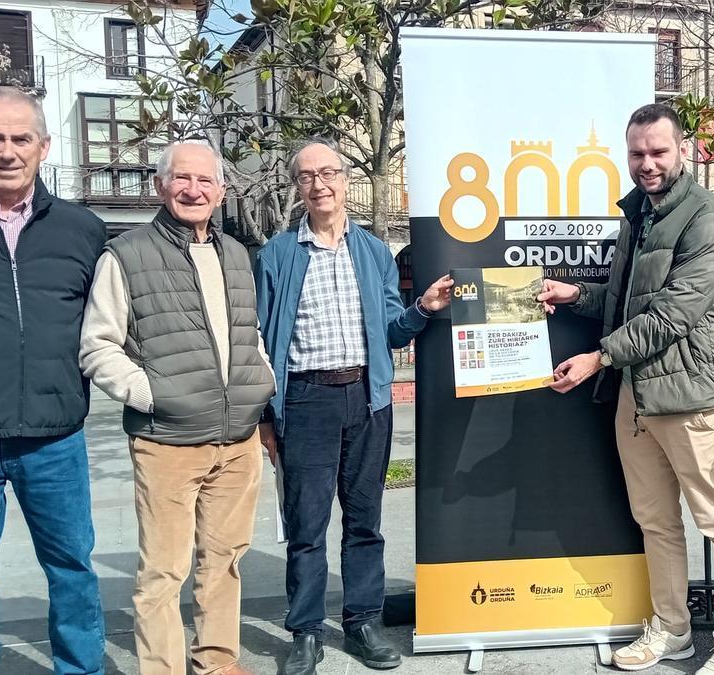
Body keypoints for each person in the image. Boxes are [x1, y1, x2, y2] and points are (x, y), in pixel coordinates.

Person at [537, 103, 714, 675]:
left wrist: (598, 358)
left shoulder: (711, 220)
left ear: (682, 150)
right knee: (656, 522)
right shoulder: (637, 215)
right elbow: (625, 303)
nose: (647, 163)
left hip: (693, 399)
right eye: (637, 152)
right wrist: (576, 296)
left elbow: (671, 316)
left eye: (658, 151)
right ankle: (673, 630)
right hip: (637, 397)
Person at [254, 139, 452, 674]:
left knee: (365, 520)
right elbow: (259, 341)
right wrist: (264, 417)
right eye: (307, 176)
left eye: (329, 173)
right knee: (307, 523)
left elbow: (389, 330)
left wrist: (422, 310)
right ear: (296, 186)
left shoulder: (373, 251)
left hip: (368, 399)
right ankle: (306, 632)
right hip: (305, 399)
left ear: (345, 179)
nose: (319, 184)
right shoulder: (275, 256)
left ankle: (363, 622)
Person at [80, 139, 275, 675]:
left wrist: (262, 380)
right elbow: (98, 347)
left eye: (205, 181)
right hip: (166, 442)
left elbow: (248, 332)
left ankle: (216, 661)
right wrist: (153, 395)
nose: (194, 190)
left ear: (221, 191)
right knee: (162, 573)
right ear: (161, 186)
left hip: (238, 440)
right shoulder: (127, 255)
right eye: (182, 179)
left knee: (224, 560)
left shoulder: (236, 254)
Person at [0, 86, 106, 675]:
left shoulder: (82, 229)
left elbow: (110, 323)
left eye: (20, 138)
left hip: (55, 438)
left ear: (43, 146)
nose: (7, 151)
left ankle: (80, 669)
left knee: (72, 570)